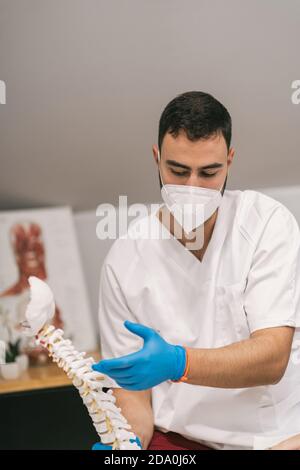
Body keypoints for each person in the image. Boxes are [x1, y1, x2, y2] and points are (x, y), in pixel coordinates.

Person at [93, 91, 300, 450]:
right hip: (184, 440)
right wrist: (124, 443)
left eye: (208, 172)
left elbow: (272, 357)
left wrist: (178, 362)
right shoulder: (124, 260)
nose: (192, 187)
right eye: (177, 170)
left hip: (277, 435)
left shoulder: (267, 223)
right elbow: (135, 400)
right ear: (156, 158)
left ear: (229, 162)